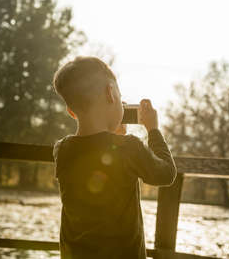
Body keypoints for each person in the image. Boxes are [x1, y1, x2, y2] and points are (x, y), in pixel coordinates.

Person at [52, 56, 177, 259]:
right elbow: (166, 174)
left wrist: (114, 135)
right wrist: (153, 130)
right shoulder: (128, 147)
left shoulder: (62, 149)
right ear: (111, 93)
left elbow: (97, 157)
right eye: (119, 96)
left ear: (71, 112)